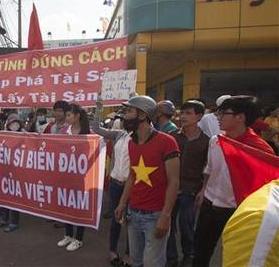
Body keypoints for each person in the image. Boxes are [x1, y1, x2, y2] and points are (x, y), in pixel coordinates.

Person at [193, 95, 274, 267]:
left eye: (223, 113)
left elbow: (267, 183)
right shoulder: (216, 141)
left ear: (240, 117)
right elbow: (209, 169)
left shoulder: (259, 148)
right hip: (209, 204)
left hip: (237, 210)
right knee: (200, 251)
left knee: (235, 255)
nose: (218, 117)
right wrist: (203, 190)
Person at [115, 95, 180, 267]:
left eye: (129, 111)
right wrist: (122, 204)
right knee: (136, 261)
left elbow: (174, 181)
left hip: (155, 215)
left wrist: (166, 215)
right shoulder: (131, 143)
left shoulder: (167, 142)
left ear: (143, 115)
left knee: (153, 263)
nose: (124, 116)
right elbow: (132, 175)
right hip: (133, 213)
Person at [166, 100, 210, 267]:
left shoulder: (207, 141)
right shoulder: (172, 137)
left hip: (191, 191)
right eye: (182, 113)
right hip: (170, 188)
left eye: (188, 113)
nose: (183, 116)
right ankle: (171, 258)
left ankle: (188, 254)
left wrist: (203, 190)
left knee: (186, 225)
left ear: (199, 116)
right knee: (167, 224)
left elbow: (208, 168)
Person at [93, 99, 132, 266]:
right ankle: (112, 250)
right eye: (122, 119)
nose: (124, 121)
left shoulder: (142, 138)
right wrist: (98, 109)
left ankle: (130, 254)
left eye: (127, 117)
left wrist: (134, 97)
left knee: (131, 221)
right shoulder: (118, 134)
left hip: (133, 186)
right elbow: (96, 129)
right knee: (116, 220)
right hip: (116, 184)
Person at [57, 104, 90, 252]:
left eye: (69, 115)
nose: (67, 117)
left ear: (77, 116)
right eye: (67, 115)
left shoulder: (88, 132)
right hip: (66, 175)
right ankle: (68, 234)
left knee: (80, 206)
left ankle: (79, 239)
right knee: (66, 204)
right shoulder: (64, 131)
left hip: (82, 176)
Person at [0, 114, 23, 233]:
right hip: (4, 170)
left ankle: (13, 222)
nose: (14, 125)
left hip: (17, 172)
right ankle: (4, 219)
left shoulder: (25, 135)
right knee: (4, 196)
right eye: (11, 123)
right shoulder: (4, 135)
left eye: (16, 123)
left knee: (14, 198)